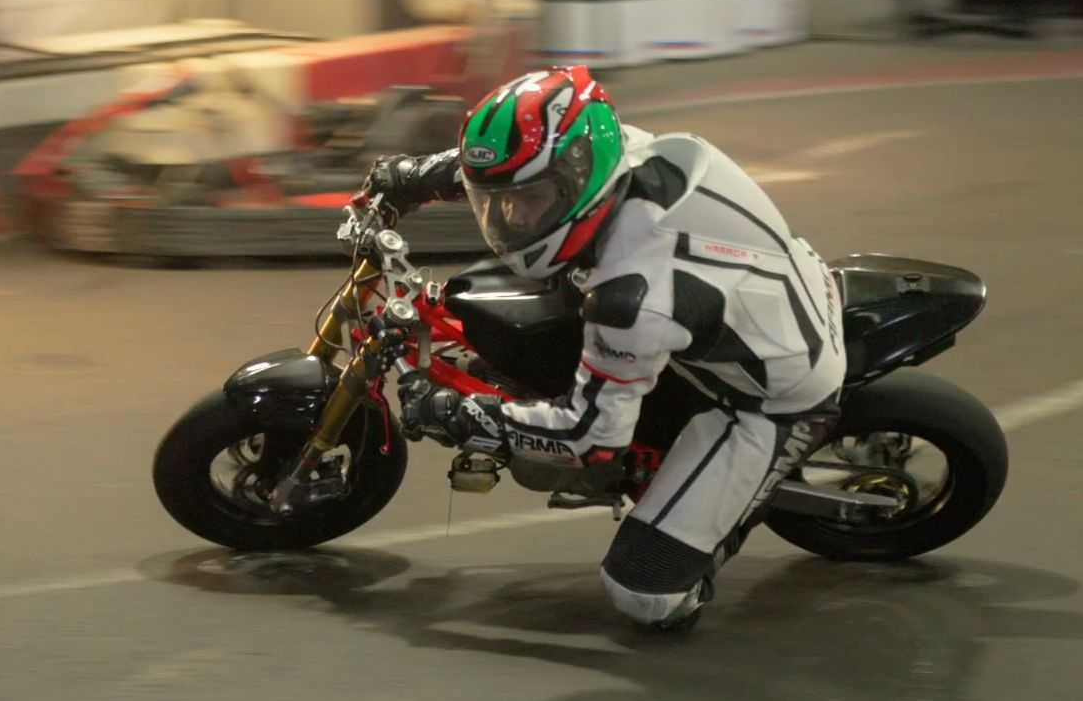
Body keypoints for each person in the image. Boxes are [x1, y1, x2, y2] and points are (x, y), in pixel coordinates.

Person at [359, 65, 846, 631]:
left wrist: (467, 415)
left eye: (531, 199)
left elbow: (589, 439)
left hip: (772, 396)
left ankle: (718, 525)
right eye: (499, 201)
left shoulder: (630, 298)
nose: (512, 217)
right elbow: (519, 161)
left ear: (576, 176)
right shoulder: (614, 154)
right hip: (752, 294)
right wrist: (413, 176)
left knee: (643, 596)